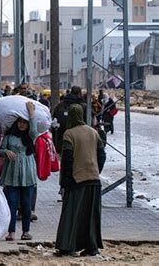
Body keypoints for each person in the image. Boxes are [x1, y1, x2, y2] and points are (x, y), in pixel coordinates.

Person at [55, 104, 106, 257]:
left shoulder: (69, 134)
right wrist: (95, 170)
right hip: (94, 179)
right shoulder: (93, 132)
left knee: (71, 214)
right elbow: (102, 156)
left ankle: (67, 247)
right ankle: (92, 247)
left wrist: (65, 182)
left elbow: (67, 161)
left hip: (76, 180)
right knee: (90, 216)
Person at [0, 102, 39, 241]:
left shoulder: (31, 137)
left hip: (28, 174)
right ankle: (11, 232)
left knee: (27, 206)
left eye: (25, 123)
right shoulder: (9, 137)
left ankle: (26, 231)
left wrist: (31, 113)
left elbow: (34, 130)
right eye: (20, 122)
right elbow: (0, 150)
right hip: (11, 174)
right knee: (11, 204)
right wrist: (6, 151)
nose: (22, 125)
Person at [52, 86, 85, 153]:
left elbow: (54, 122)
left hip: (62, 137)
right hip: (80, 138)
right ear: (80, 93)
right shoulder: (83, 105)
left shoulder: (61, 105)